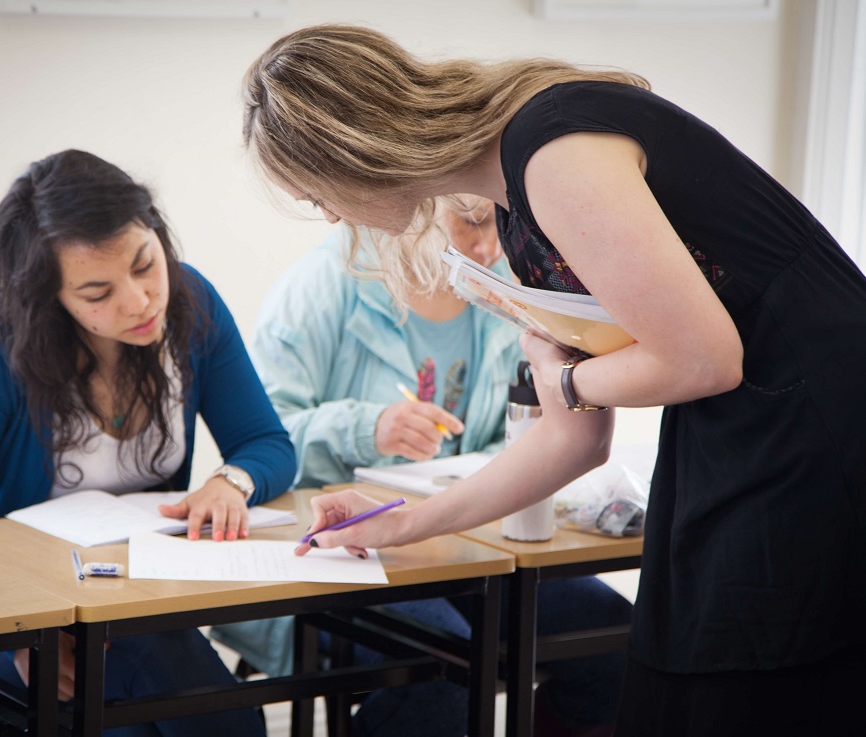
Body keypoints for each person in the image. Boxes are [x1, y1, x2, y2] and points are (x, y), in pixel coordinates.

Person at [240, 24, 866, 736]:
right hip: (744, 423)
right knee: (678, 671)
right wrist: (399, 523)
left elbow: (702, 359)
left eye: (316, 193)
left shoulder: (550, 149)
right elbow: (574, 442)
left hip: (818, 423)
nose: (328, 215)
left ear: (353, 154)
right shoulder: (517, 209)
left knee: (735, 688)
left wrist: (565, 381)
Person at [0, 149, 297, 737]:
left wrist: (229, 481)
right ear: (49, 296)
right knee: (194, 714)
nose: (138, 301)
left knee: (194, 709)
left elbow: (266, 443)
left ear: (159, 235)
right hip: (1, 621)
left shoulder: (194, 305)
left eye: (144, 264)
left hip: (128, 609)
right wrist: (19, 634)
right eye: (96, 293)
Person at [212, 197, 632, 737]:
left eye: (500, 221)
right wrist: (368, 426)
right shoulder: (321, 286)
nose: (488, 245)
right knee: (446, 670)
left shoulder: (502, 288)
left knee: (616, 640)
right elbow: (263, 441)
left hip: (462, 544)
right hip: (342, 554)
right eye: (471, 222)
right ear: (413, 199)